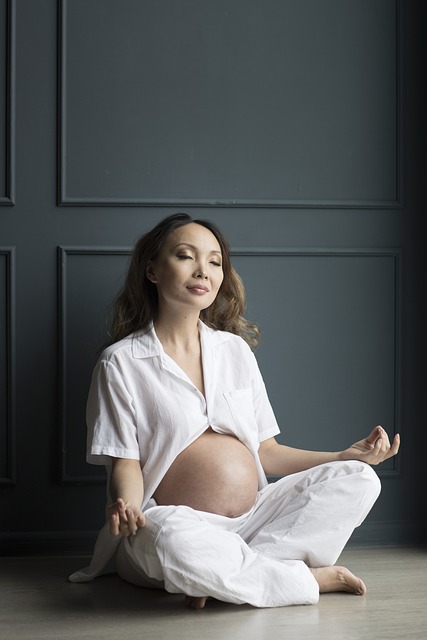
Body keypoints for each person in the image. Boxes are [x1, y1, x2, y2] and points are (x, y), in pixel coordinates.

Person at [69, 213, 400, 608]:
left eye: (215, 262)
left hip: (256, 522)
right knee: (170, 540)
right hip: (175, 525)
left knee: (360, 478)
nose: (202, 271)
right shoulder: (121, 363)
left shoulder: (235, 351)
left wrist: (342, 456)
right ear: (152, 270)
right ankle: (300, 580)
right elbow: (125, 463)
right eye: (185, 256)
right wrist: (127, 506)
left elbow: (266, 451)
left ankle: (225, 576)